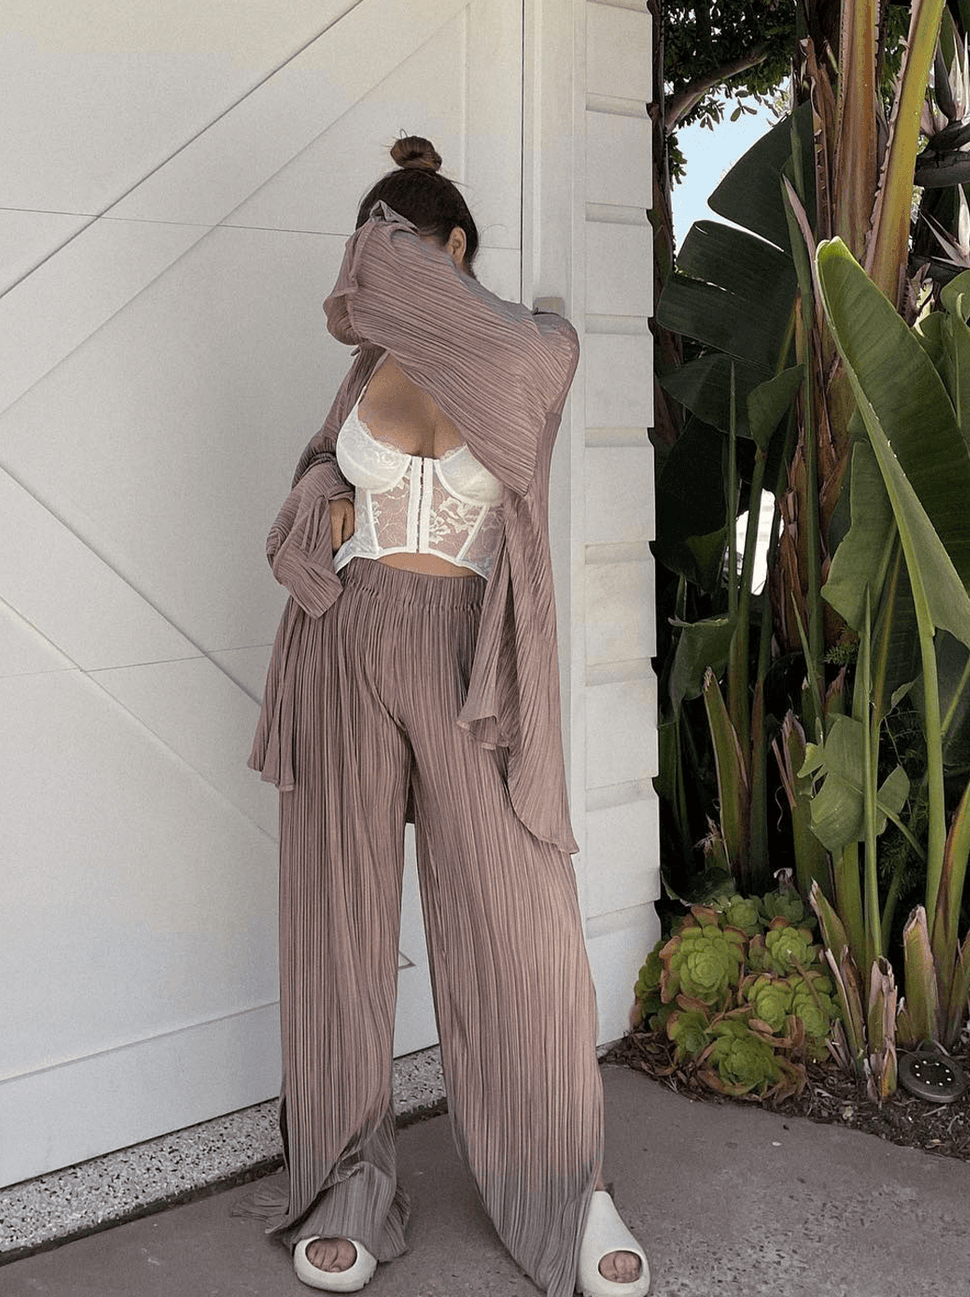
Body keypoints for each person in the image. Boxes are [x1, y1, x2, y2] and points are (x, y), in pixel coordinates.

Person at [250, 137, 650, 1297]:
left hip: (468, 660)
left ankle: (563, 1183)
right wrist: (322, 494)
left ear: (454, 252)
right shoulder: (365, 369)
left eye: (403, 255)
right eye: (369, 256)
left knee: (518, 925)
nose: (378, 280)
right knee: (337, 916)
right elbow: (324, 465)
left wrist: (403, 268)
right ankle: (343, 1181)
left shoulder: (529, 352)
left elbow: (521, 365)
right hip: (345, 643)